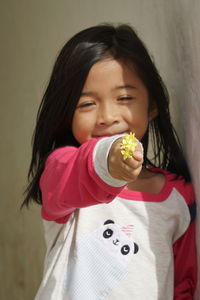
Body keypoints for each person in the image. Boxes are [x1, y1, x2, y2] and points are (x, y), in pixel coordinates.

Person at [22, 24, 197, 299]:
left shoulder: (178, 197)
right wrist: (108, 160)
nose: (107, 116)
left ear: (152, 106)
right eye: (86, 104)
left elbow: (183, 284)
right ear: (66, 114)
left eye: (124, 98)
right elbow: (83, 168)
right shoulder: (61, 173)